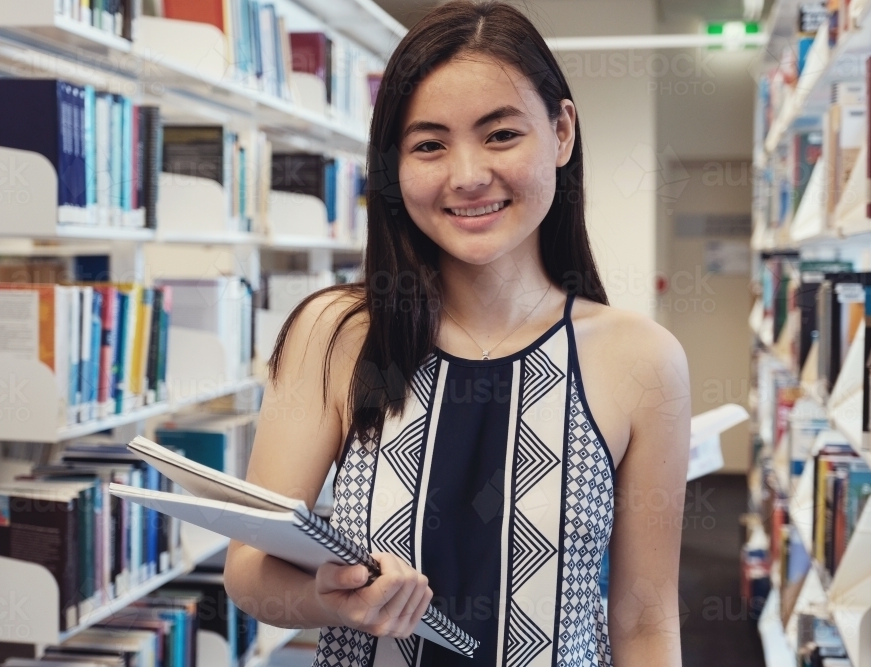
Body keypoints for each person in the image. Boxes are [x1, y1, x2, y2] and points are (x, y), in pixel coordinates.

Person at [224, 1, 690, 665]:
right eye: (429, 144)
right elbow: (249, 572)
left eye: (501, 135)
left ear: (561, 133)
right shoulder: (336, 335)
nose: (467, 175)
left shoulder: (641, 358)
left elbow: (645, 623)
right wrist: (332, 599)